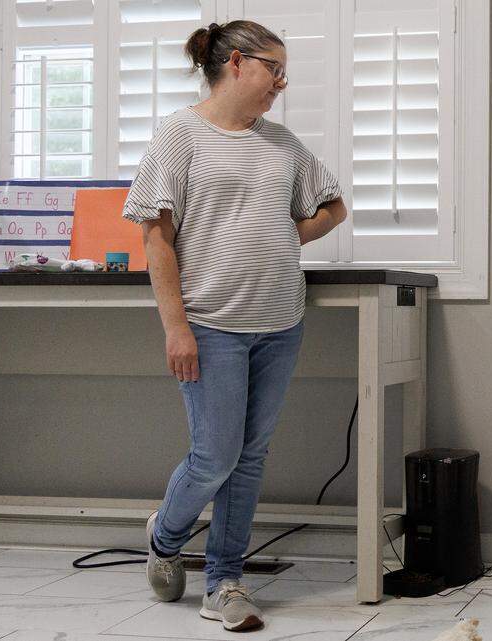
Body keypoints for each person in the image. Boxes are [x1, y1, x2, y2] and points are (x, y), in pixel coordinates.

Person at [121, 20, 347, 631]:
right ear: (238, 62)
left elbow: (333, 205)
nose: (282, 81)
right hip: (212, 323)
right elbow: (157, 238)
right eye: (274, 68)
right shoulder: (180, 135)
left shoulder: (283, 145)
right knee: (215, 457)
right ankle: (166, 536)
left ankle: (225, 582)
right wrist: (177, 329)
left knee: (249, 459)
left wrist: (285, 234)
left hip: (280, 323)